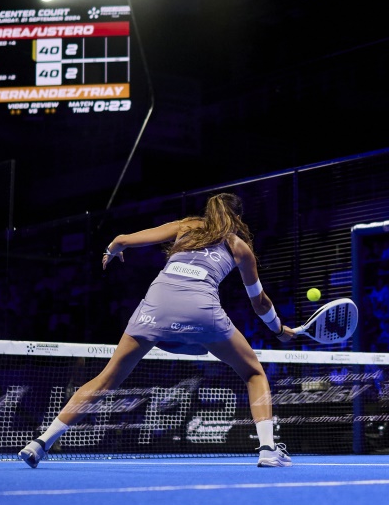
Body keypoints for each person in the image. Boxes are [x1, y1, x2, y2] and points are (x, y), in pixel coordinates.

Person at [18, 193, 296, 468]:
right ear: (237, 216)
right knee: (253, 372)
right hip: (202, 312)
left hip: (155, 308)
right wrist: (279, 328)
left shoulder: (185, 226)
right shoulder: (239, 247)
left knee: (105, 379)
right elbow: (259, 302)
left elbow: (123, 240)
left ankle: (40, 443)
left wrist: (112, 251)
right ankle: (268, 449)